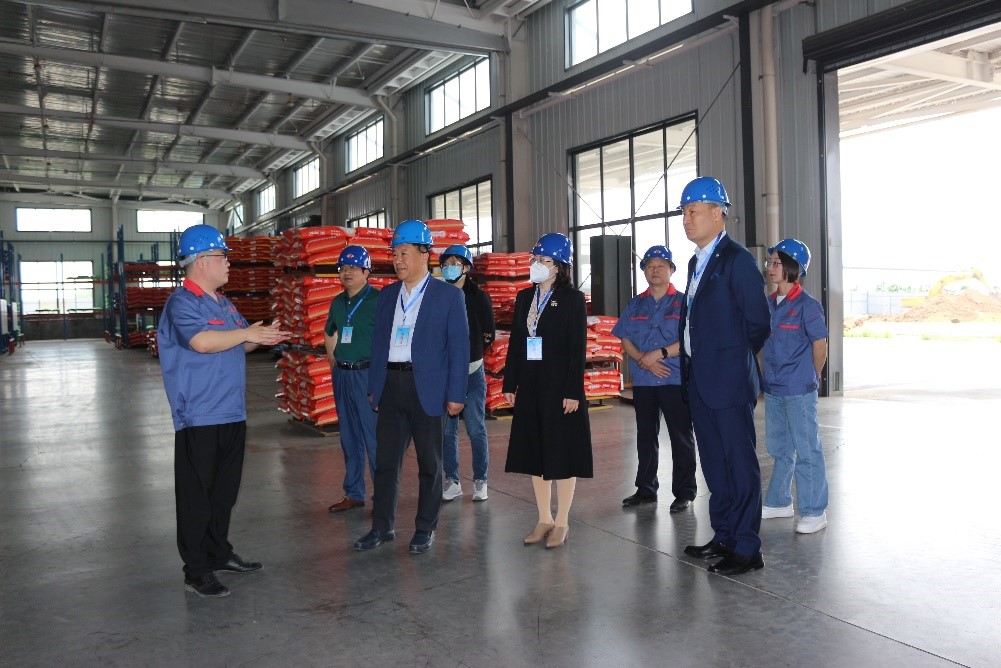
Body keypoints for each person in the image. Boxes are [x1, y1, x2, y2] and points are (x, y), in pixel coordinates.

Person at [158, 224, 291, 598]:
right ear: (202, 261)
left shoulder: (223, 303)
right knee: (196, 497)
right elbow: (202, 342)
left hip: (232, 412)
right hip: (200, 416)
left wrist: (261, 335)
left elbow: (237, 343)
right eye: (222, 256)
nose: (229, 263)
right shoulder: (181, 303)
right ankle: (196, 570)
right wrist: (246, 334)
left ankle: (218, 553)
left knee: (223, 494)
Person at [353, 219, 469, 554]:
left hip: (428, 389)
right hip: (391, 385)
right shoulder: (388, 295)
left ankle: (424, 528)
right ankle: (382, 526)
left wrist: (456, 394)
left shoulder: (448, 296)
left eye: (403, 252)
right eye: (394, 254)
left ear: (424, 254)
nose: (397, 260)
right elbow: (378, 344)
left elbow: (459, 348)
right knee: (385, 462)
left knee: (430, 465)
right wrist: (375, 386)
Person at [677, 177, 771, 576]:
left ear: (718, 213)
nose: (686, 219)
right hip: (700, 380)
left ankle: (748, 547)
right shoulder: (696, 262)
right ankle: (726, 534)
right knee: (715, 464)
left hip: (729, 382)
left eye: (693, 211)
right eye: (684, 213)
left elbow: (758, 323)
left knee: (740, 465)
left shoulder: (737, 260)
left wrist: (730, 359)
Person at [503, 232, 592, 549]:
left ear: (559, 266)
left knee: (561, 453)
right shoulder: (525, 297)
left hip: (560, 387)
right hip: (531, 384)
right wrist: (510, 382)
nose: (536, 264)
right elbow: (516, 342)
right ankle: (544, 518)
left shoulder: (572, 299)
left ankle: (562, 522)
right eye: (535, 259)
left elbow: (577, 348)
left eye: (544, 260)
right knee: (536, 452)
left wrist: (573, 390)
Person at [612, 245, 697, 512]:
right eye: (650, 266)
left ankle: (684, 492)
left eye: (661, 265)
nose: (655, 270)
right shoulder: (635, 304)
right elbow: (625, 337)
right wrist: (643, 360)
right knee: (646, 436)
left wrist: (658, 355)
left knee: (681, 437)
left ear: (672, 270)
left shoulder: (684, 303)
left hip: (674, 378)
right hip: (644, 380)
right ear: (644, 271)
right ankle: (646, 489)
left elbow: (690, 339)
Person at [761, 238, 830, 534]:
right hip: (773, 387)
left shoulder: (808, 306)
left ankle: (814, 511)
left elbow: (820, 345)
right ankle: (779, 501)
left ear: (793, 267)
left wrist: (812, 376)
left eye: (777, 263)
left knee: (806, 449)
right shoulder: (768, 304)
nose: (771, 267)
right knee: (780, 447)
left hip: (799, 388)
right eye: (770, 262)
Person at [323, 245, 380, 513]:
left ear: (366, 272)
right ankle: (354, 492)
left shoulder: (378, 300)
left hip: (367, 374)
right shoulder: (337, 302)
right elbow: (330, 331)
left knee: (373, 437)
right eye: (343, 268)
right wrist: (334, 362)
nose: (347, 273)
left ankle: (383, 494)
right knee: (348, 436)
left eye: (353, 268)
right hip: (342, 375)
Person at [439, 245, 496, 503]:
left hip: (472, 372)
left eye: (455, 263)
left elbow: (488, 334)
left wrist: (470, 353)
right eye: (446, 263)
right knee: (447, 431)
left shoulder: (479, 297)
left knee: (475, 427)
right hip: (446, 374)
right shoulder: (438, 296)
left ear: (466, 268)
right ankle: (452, 480)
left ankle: (480, 479)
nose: (449, 267)